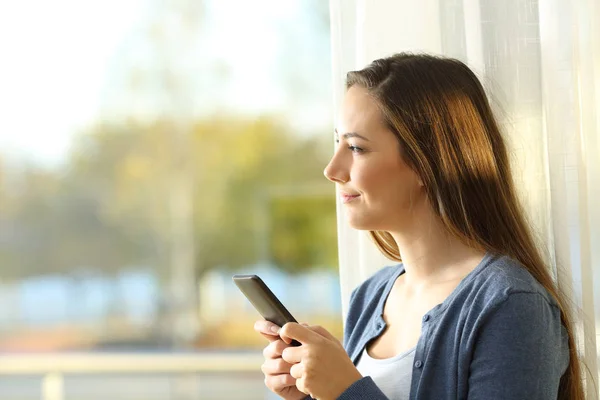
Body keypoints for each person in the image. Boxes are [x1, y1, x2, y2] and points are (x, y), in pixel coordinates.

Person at [253, 53, 584, 400]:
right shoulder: (369, 296)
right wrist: (310, 393)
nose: (332, 169)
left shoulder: (512, 305)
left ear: (428, 162)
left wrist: (347, 391)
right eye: (338, 143)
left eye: (355, 147)